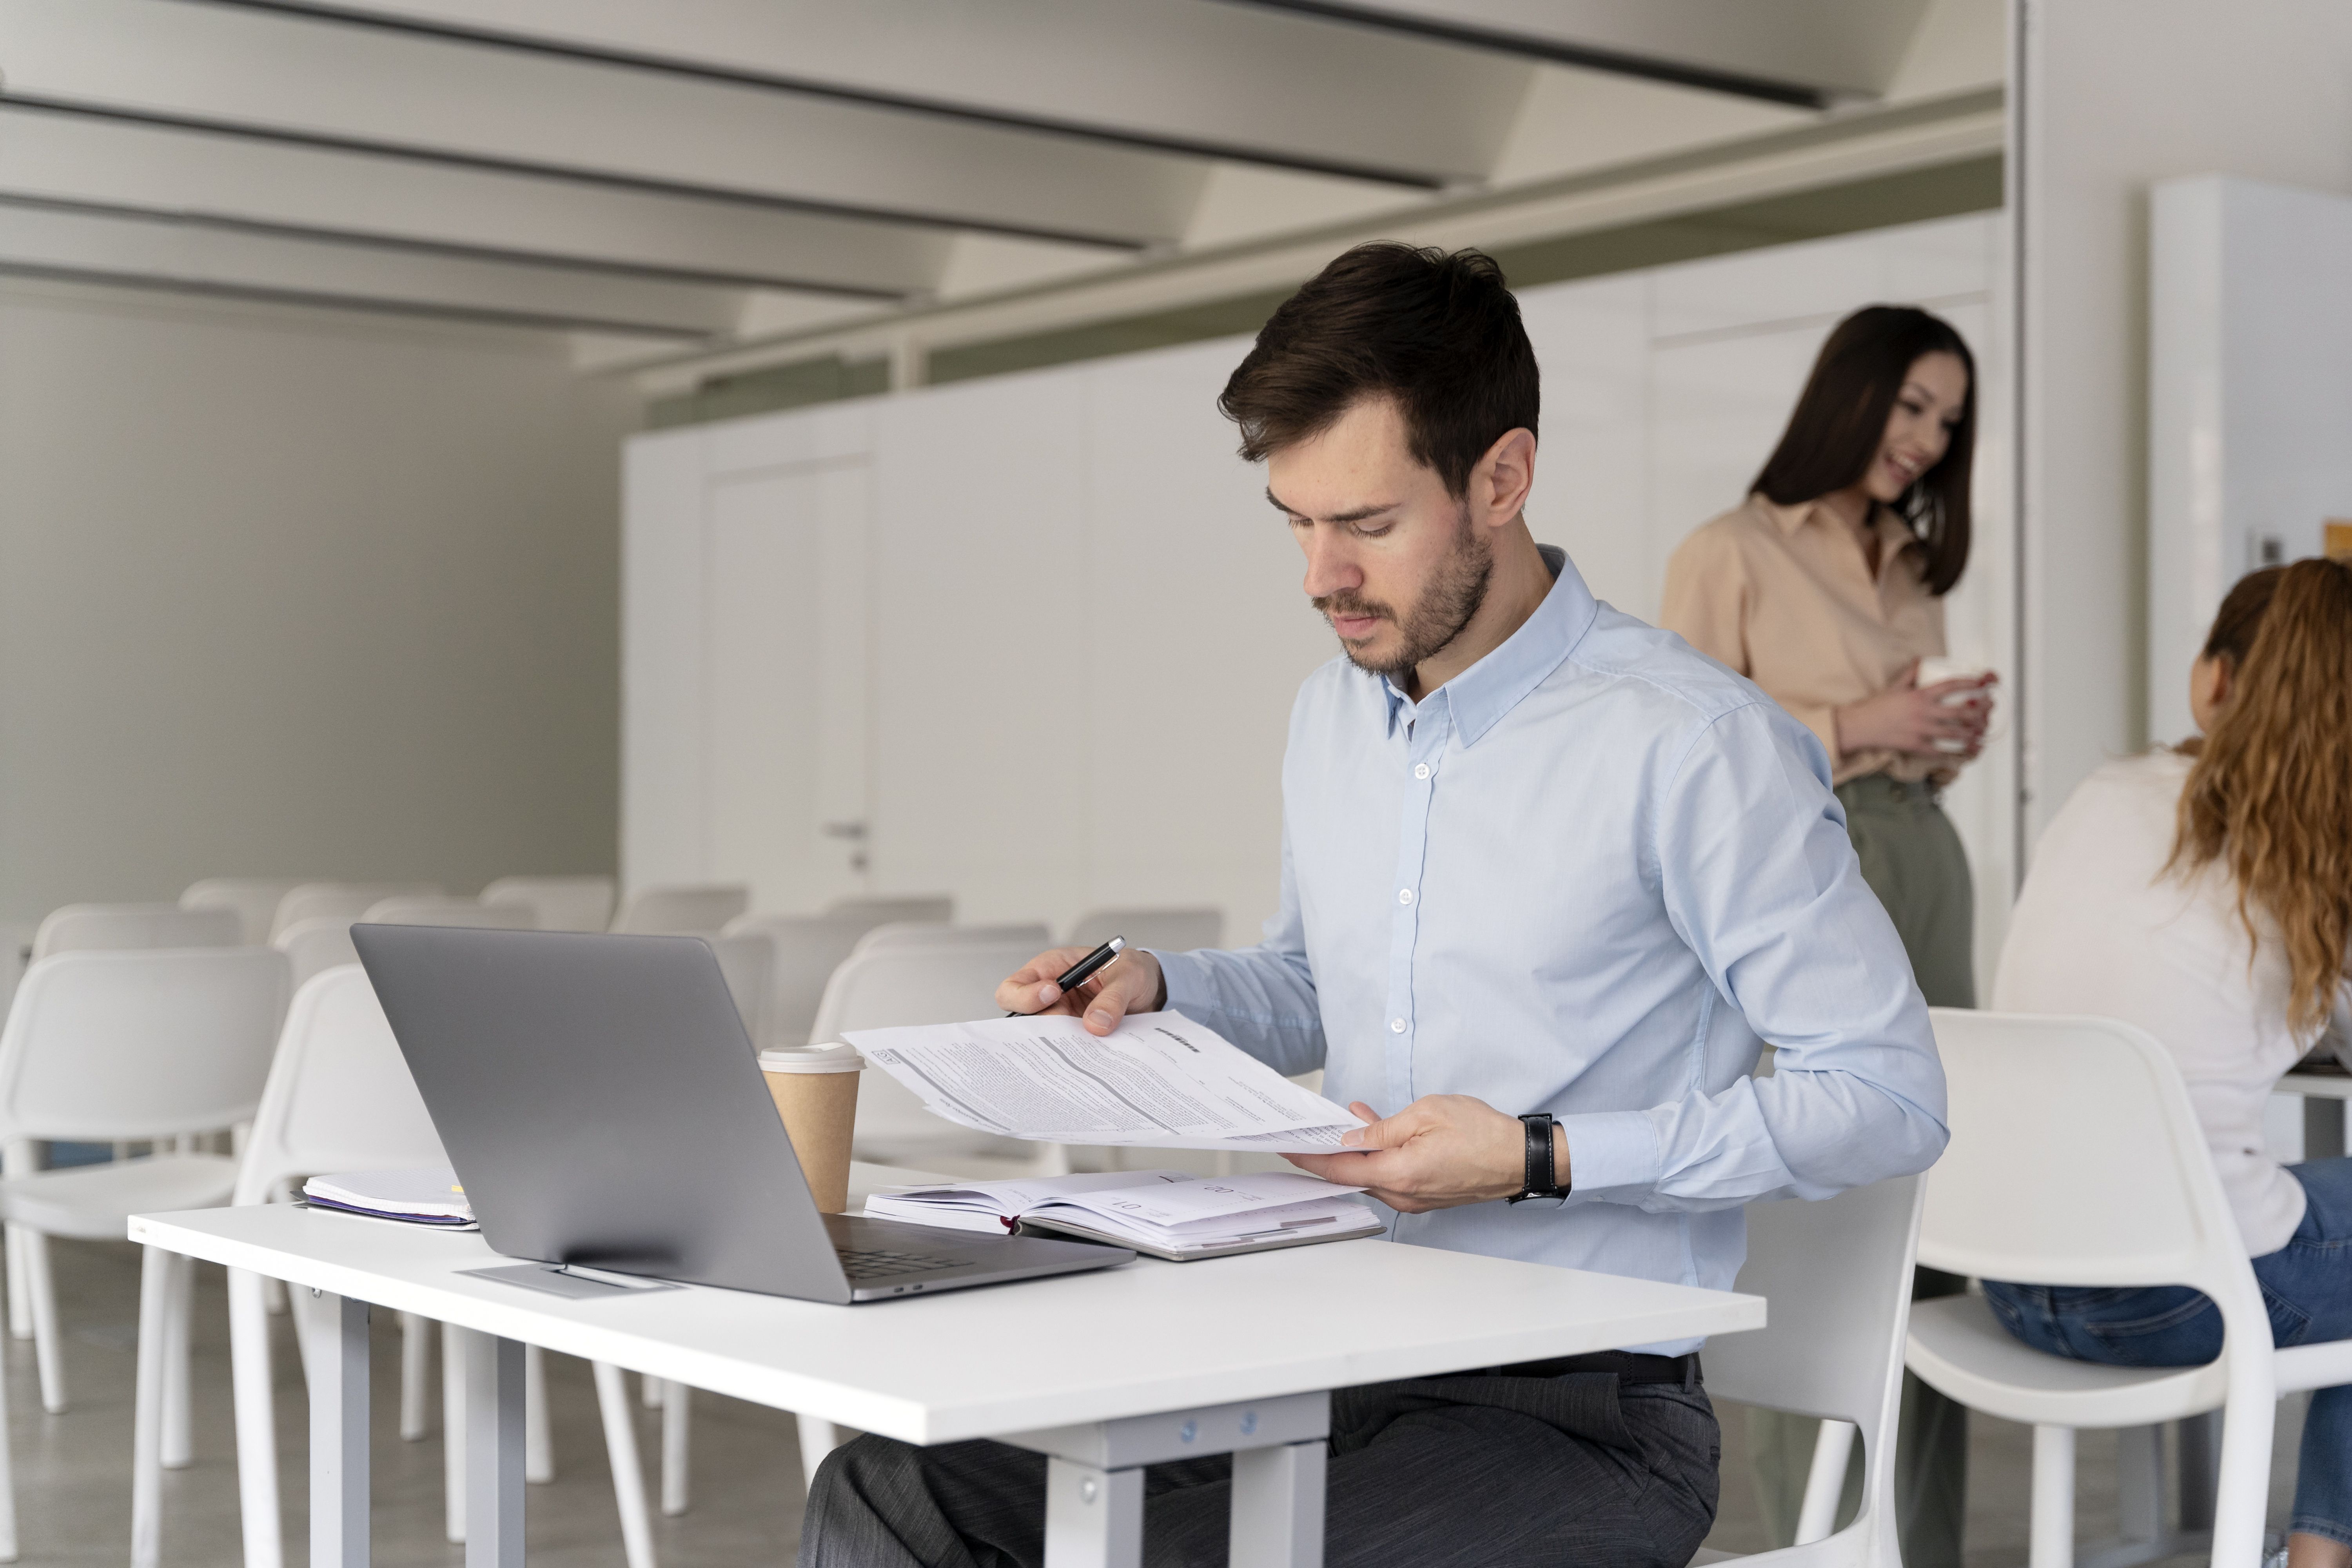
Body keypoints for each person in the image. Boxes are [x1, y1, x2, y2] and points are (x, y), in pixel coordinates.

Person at [796, 243, 1947, 1568]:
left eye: (1367, 524)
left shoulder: (1697, 745)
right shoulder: (1333, 715)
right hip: (1331, 1351)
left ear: (1501, 480)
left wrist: (1536, 1156)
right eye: (1295, 521)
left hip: (1577, 1415)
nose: (1320, 575)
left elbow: (1890, 1095)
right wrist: (1160, 986)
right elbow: (1314, 984)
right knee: (893, 1493)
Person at [1658, 306, 1991, 1567]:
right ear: (1852, 394)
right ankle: (1819, 1540)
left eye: (1949, 420)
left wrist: (1939, 738)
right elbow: (1683, 746)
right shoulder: (1729, 551)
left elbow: (1900, 737)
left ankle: (1926, 1544)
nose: (1929, 439)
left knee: (1931, 1209)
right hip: (1807, 868)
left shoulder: (1912, 567)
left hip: (1924, 854)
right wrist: (1859, 724)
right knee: (1826, 1200)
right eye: (1913, 405)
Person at [1988, 559, 2352, 1568]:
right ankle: (2321, 1556)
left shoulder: (2105, 793)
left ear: (2212, 678)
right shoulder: (2315, 851)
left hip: (2012, 1275)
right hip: (2171, 1302)